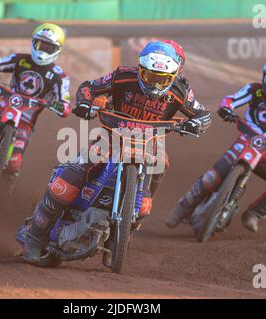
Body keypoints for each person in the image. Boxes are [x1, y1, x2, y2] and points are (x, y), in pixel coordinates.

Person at [18, 41, 212, 265]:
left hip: (150, 143)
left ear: (174, 74)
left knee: (154, 182)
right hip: (111, 135)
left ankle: (120, 239)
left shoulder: (181, 91)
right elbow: (89, 86)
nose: (156, 84)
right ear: (140, 70)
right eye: (150, 76)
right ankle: (33, 238)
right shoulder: (122, 76)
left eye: (163, 79)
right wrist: (85, 103)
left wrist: (195, 124)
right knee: (71, 178)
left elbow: (204, 114)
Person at [165, 56, 266, 232]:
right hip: (243, 143)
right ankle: (181, 209)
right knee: (211, 177)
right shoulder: (254, 90)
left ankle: (254, 214)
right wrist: (226, 109)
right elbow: (230, 99)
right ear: (264, 77)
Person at [0, 23, 71, 181]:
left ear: (57, 50)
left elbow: (65, 103)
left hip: (25, 120)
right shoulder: (20, 60)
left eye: (48, 47)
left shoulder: (59, 77)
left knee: (14, 163)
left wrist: (60, 106)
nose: (42, 50)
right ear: (33, 42)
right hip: (3, 108)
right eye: (40, 44)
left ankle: (3, 197)